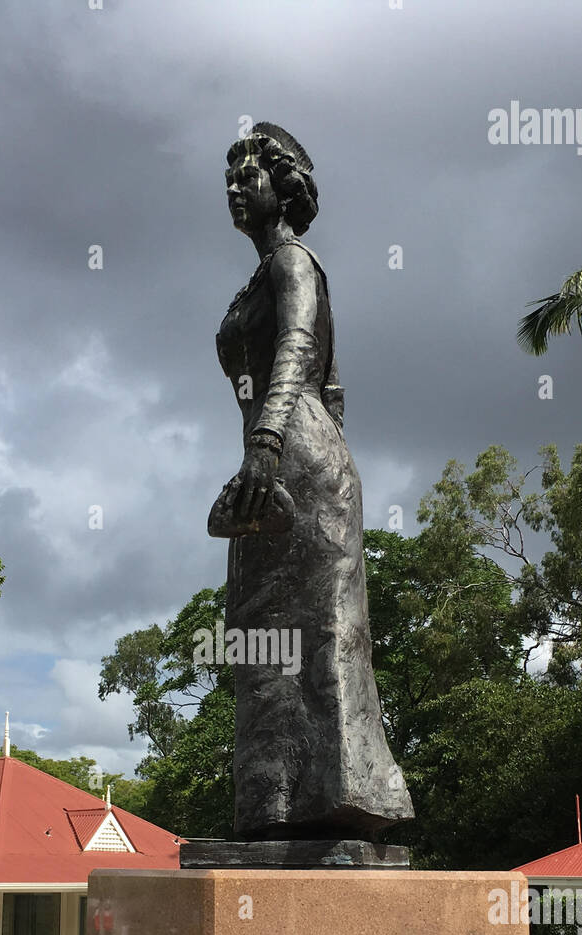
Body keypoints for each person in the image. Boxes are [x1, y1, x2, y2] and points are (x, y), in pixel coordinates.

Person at [215, 124, 413, 840]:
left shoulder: (295, 263)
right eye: (228, 177)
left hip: (290, 451)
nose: (236, 186)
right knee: (259, 635)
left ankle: (350, 798)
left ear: (284, 185)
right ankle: (275, 809)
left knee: (326, 636)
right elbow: (335, 390)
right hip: (284, 459)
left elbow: (301, 352)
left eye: (248, 173)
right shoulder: (261, 275)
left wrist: (268, 444)